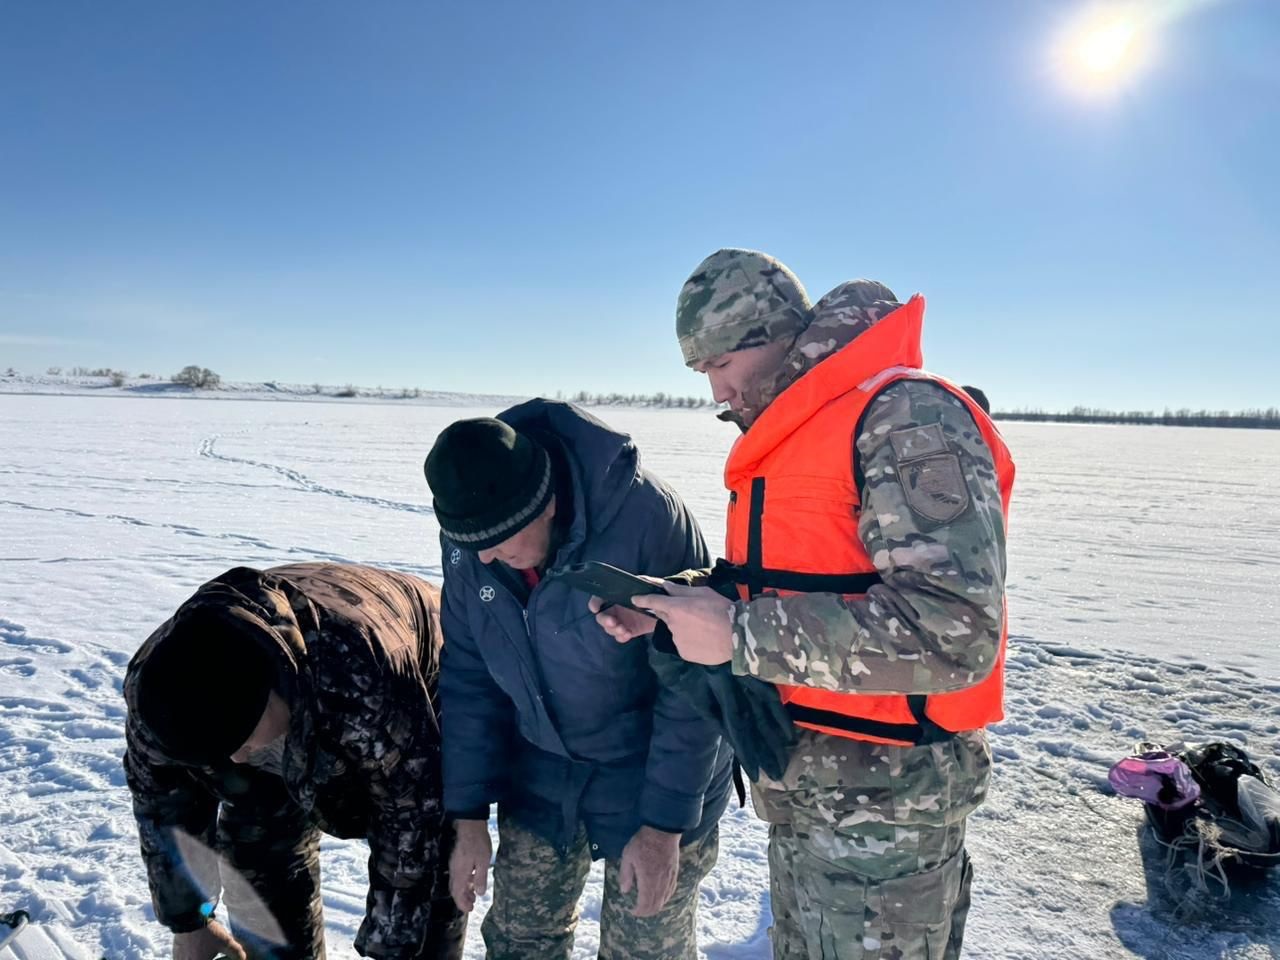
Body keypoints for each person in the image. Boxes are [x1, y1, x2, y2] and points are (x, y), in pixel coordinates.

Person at [596, 249, 1016, 960]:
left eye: (718, 367)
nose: (718, 393)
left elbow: (956, 629)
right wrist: (678, 606)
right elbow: (802, 579)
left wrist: (740, 635)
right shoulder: (796, 432)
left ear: (764, 336)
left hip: (889, 824)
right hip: (809, 801)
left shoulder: (906, 416)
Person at [423, 399, 733, 960]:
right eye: (474, 547)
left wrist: (664, 828)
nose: (487, 559)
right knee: (520, 942)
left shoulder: (649, 521)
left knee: (646, 949)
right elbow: (470, 678)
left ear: (547, 504)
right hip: (543, 766)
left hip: (650, 771)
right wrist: (466, 816)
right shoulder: (473, 538)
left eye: (502, 542)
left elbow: (693, 686)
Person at [123, 562, 464, 960]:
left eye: (244, 742)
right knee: (259, 851)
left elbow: (412, 816)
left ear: (274, 691)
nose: (236, 758)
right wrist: (191, 920)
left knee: (434, 872)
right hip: (299, 698)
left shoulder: (361, 676)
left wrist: (393, 947)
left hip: (427, 676)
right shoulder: (159, 690)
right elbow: (161, 802)